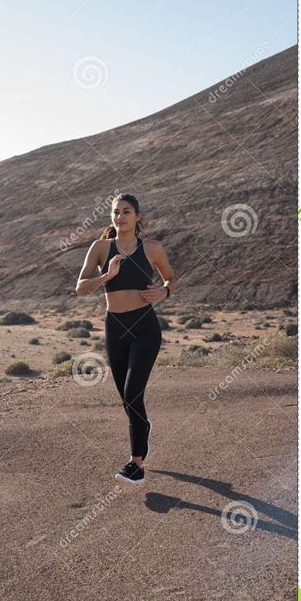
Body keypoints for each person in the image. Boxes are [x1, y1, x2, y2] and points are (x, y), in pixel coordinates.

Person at [76, 193, 177, 485]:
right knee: (127, 399)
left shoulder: (153, 248)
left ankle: (136, 464)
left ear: (138, 217)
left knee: (133, 394)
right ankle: (143, 427)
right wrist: (107, 275)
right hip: (115, 327)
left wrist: (165, 291)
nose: (120, 217)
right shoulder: (100, 248)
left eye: (127, 211)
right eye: (116, 212)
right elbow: (81, 288)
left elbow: (170, 278)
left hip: (145, 326)